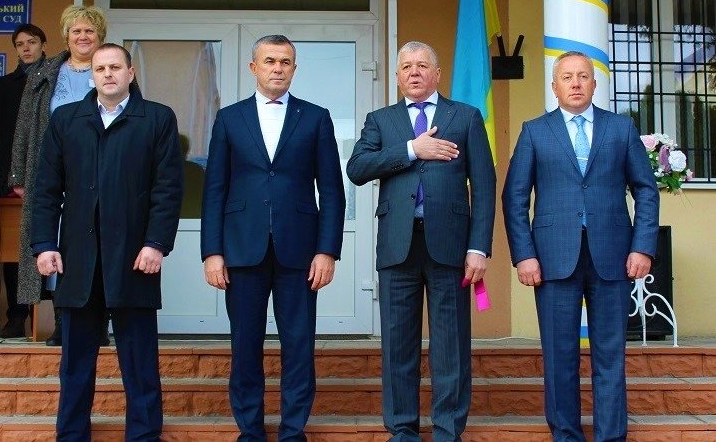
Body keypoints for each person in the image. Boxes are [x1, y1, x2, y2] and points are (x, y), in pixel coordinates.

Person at [502, 51, 659, 441]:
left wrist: (643, 247)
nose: (575, 83)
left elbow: (645, 190)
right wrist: (524, 255)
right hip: (552, 259)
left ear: (594, 83)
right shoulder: (534, 131)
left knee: (610, 356)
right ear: (554, 86)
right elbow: (515, 197)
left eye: (583, 76)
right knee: (560, 357)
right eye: (567, 77)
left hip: (614, 257)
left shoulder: (621, 128)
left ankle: (610, 436)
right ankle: (566, 435)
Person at [32, 43, 183, 440]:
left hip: (135, 257)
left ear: (131, 73)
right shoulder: (67, 119)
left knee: (139, 361)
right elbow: (46, 189)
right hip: (77, 260)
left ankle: (144, 435)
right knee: (75, 363)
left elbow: (168, 189)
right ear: (92, 75)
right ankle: (71, 435)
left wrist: (156, 243)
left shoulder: (157, 118)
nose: (108, 74)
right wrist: (44, 244)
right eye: (100, 69)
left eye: (116, 67)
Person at [346, 41, 496, 441]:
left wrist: (478, 247)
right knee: (398, 346)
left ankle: (447, 430)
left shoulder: (465, 117)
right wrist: (413, 149)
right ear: (397, 76)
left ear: (437, 73)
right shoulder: (381, 121)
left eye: (422, 65)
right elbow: (357, 168)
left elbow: (484, 185)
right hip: (398, 248)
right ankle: (402, 430)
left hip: (451, 248)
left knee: (451, 346)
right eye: (407, 66)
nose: (414, 72)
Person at [201, 34, 345, 441]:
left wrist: (327, 250)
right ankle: (250, 431)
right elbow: (214, 189)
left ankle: (292, 431)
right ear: (254, 68)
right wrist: (212, 251)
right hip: (241, 250)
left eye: (285, 62)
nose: (277, 68)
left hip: (300, 253)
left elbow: (332, 190)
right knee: (245, 345)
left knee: (298, 346)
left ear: (294, 69)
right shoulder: (229, 118)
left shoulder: (315, 117)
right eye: (269, 61)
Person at [9, 5, 108, 345]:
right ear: (66, 36)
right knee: (54, 244)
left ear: (100, 36)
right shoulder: (44, 71)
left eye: (90, 31)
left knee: (99, 246)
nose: (83, 36)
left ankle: (98, 323)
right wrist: (19, 175)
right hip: (52, 174)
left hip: (101, 174)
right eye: (76, 31)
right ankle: (64, 322)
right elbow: (24, 125)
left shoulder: (112, 68)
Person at [0, 23, 47, 338]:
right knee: (13, 251)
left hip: (49, 177)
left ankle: (51, 318)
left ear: (43, 44)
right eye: (20, 44)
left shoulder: (55, 81)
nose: (26, 48)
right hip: (13, 182)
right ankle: (17, 317)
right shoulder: (3, 86)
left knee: (50, 246)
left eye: (31, 42)